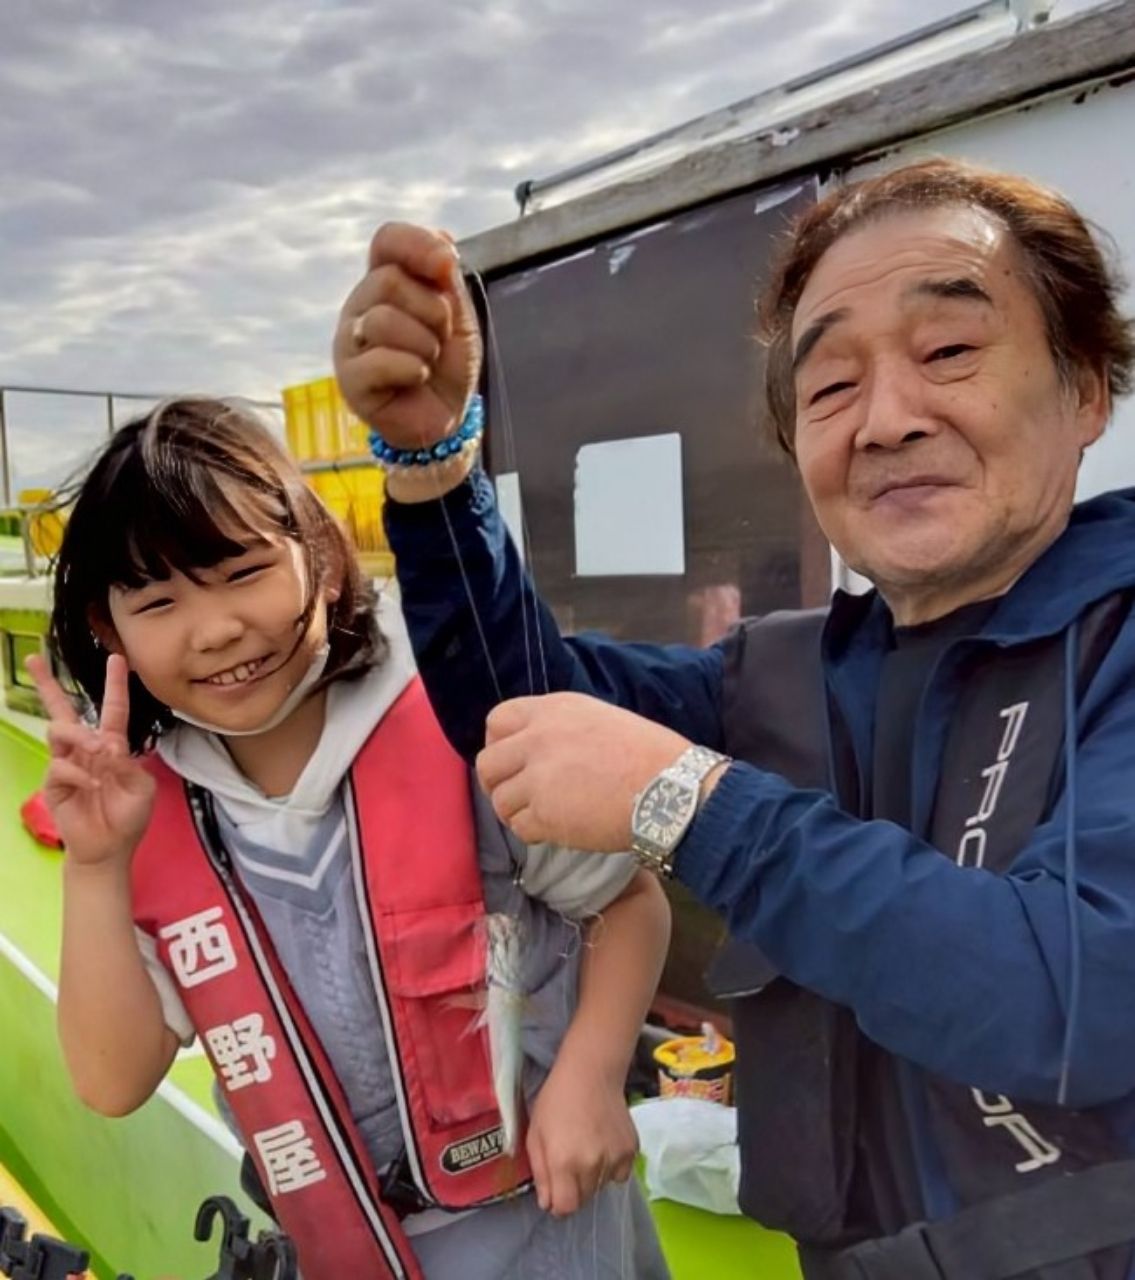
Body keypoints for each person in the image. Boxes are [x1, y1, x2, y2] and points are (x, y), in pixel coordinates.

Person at [333, 158, 1135, 1280]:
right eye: (830, 388)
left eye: (949, 351)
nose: (887, 420)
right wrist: (430, 464)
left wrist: (685, 800)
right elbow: (521, 708)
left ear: (1087, 388)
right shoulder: (787, 672)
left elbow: (1073, 995)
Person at [29, 397, 672, 1280]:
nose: (214, 629)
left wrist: (594, 1077)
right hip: (340, 1247)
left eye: (243, 571)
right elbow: (112, 1081)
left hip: (553, 1223)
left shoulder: (462, 724)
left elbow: (630, 901)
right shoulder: (146, 817)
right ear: (110, 632)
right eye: (159, 599)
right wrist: (97, 870)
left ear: (322, 558)